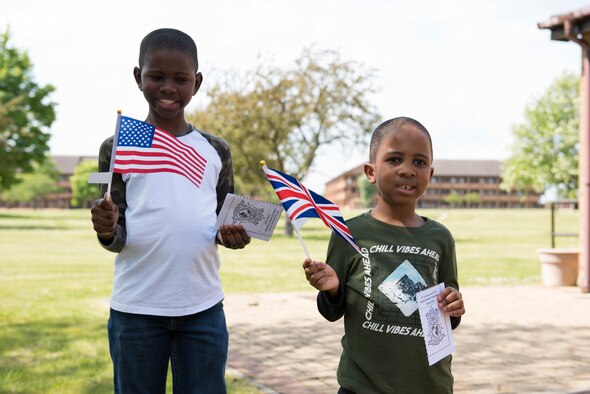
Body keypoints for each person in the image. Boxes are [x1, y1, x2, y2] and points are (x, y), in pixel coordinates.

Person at [90, 28, 250, 394]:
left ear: (196, 82)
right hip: (136, 310)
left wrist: (235, 238)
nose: (167, 88)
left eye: (180, 79)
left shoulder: (216, 150)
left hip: (203, 309)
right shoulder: (116, 147)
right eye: (156, 76)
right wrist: (106, 228)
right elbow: (115, 236)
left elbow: (227, 222)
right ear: (138, 77)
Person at [303, 116, 465, 394]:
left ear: (430, 173)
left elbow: (448, 315)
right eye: (394, 160)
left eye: (419, 162)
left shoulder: (440, 237)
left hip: (429, 384)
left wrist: (454, 304)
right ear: (370, 171)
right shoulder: (348, 233)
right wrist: (331, 289)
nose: (407, 170)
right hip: (363, 385)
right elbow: (331, 311)